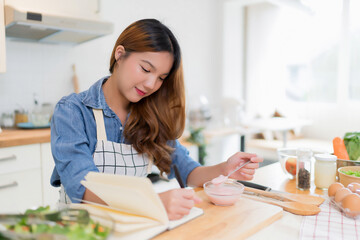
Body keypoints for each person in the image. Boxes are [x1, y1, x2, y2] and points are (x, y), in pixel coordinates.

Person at [50, 18, 263, 220]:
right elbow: (82, 189)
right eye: (145, 69)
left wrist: (225, 168)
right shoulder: (73, 111)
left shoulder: (150, 116)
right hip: (79, 229)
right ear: (120, 54)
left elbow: (186, 170)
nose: (152, 84)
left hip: (133, 229)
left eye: (161, 78)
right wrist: (152, 202)